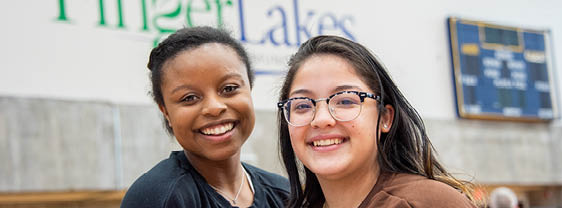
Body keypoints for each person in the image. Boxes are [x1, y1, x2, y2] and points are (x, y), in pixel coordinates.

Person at [277, 35, 477, 208]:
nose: (321, 119)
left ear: (385, 118)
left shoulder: (429, 202)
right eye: (302, 105)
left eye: (346, 100)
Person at [121, 26, 289, 208]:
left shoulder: (283, 193)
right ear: (166, 112)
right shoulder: (159, 197)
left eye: (229, 88)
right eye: (189, 98)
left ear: (250, 89)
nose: (214, 108)